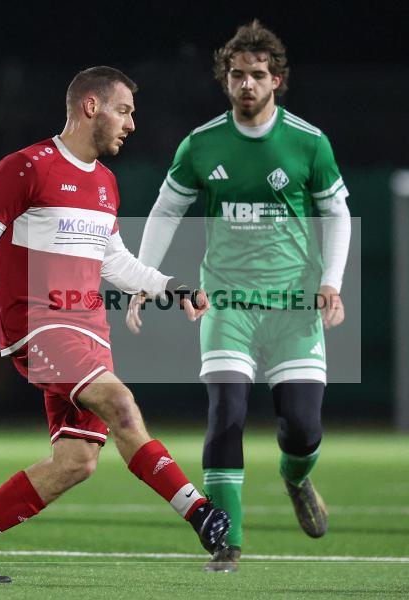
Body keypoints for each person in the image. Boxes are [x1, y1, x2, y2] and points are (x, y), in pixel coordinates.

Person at [0, 66, 229, 584]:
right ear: (90, 106)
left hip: (89, 332)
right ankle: (198, 511)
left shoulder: (106, 183)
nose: (132, 124)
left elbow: (112, 260)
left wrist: (170, 285)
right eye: (125, 110)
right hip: (39, 325)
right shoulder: (26, 167)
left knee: (76, 462)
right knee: (121, 403)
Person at [127, 21, 351, 572]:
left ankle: (296, 478)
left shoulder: (308, 142)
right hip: (225, 305)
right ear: (225, 81)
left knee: (303, 428)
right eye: (236, 75)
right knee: (226, 413)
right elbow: (166, 209)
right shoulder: (201, 145)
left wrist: (332, 282)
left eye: (257, 75)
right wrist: (141, 278)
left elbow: (337, 212)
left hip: (294, 308)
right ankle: (226, 541)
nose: (246, 84)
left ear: (277, 80)